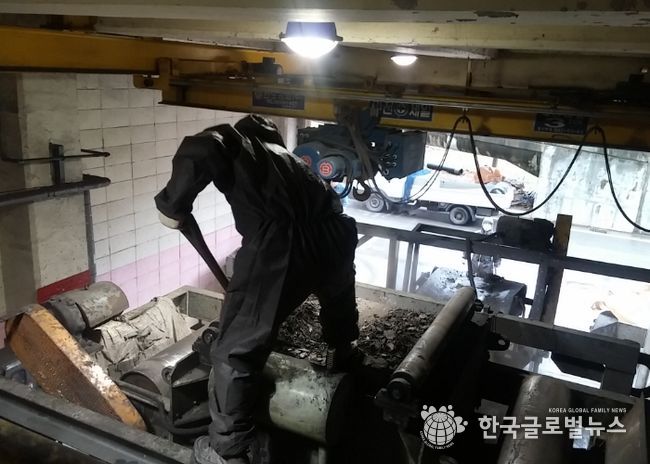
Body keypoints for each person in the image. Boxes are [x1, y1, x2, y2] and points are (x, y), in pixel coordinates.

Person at [154, 115, 362, 464]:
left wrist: (172, 204)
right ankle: (344, 353)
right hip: (336, 233)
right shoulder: (292, 160)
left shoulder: (240, 143)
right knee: (337, 297)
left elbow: (203, 146)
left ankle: (229, 452)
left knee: (235, 352)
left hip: (284, 245)